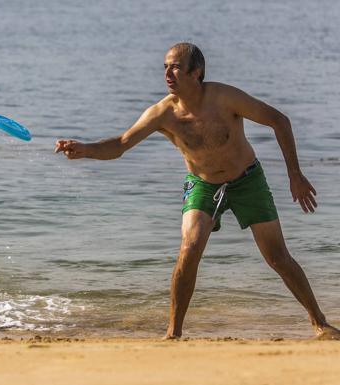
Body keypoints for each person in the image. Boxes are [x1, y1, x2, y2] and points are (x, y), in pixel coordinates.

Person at [55, 42, 340, 340]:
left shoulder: (225, 98)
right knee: (189, 249)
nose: (167, 73)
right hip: (202, 184)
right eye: (165, 66)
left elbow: (280, 121)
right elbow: (122, 144)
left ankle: (319, 322)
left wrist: (294, 174)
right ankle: (173, 333)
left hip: (247, 180)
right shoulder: (162, 113)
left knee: (278, 258)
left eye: (175, 66)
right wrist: (85, 149)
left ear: (196, 72)